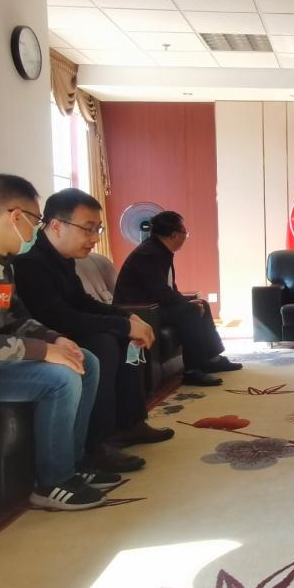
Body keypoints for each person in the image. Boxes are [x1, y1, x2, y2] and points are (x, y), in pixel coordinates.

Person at [0, 174, 113, 511]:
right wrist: (44, 352)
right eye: (35, 220)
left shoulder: (0, 263)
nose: (36, 230)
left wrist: (55, 339)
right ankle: (52, 482)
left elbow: (16, 318)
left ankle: (74, 464)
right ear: (16, 216)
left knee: (85, 360)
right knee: (60, 378)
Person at [14, 189, 175, 475]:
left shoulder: (62, 258)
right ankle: (95, 444)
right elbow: (57, 317)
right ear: (56, 225)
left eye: (97, 229)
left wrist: (127, 317)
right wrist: (123, 325)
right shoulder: (29, 263)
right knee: (103, 343)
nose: (95, 238)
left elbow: (82, 302)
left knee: (124, 337)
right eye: (88, 229)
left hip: (65, 329)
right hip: (46, 336)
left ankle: (130, 424)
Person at [114, 211, 241, 387]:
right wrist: (186, 305)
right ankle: (192, 371)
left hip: (154, 305)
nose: (185, 237)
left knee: (201, 304)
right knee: (190, 311)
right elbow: (160, 291)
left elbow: (168, 289)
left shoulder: (160, 250)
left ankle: (212, 359)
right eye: (185, 233)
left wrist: (187, 302)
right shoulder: (149, 254)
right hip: (141, 311)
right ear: (174, 235)